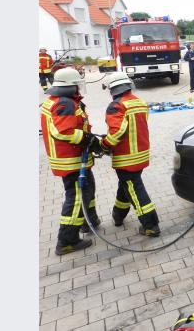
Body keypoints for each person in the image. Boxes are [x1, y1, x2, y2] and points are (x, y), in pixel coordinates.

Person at [40, 68, 100, 255]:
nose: (78, 88)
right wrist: (86, 138)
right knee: (75, 198)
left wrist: (89, 138)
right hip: (70, 160)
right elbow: (63, 132)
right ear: (69, 86)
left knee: (88, 188)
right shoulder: (65, 103)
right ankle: (67, 240)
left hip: (72, 158)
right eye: (76, 84)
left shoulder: (57, 101)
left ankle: (88, 220)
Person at [100, 72, 160, 237]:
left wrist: (104, 144)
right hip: (141, 153)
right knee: (126, 186)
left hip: (126, 158)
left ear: (113, 89)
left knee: (135, 190)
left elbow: (117, 132)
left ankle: (150, 225)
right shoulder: (139, 102)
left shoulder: (117, 105)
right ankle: (118, 216)